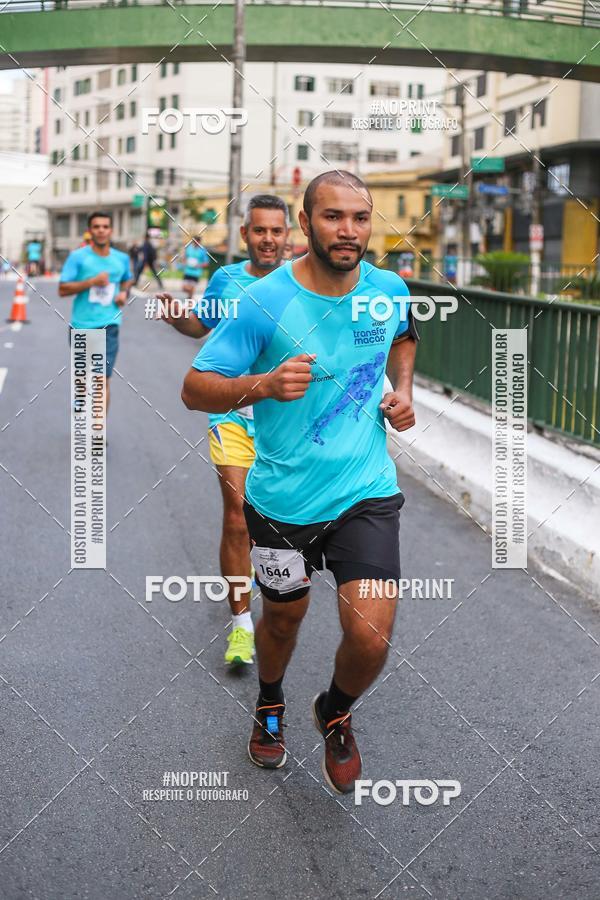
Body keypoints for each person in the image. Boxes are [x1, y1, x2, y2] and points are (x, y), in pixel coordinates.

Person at [181, 171, 419, 794]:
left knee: (370, 632)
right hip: (282, 500)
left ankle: (334, 708)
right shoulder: (264, 302)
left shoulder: (388, 288)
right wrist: (261, 384)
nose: (349, 231)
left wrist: (404, 393)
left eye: (360, 218)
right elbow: (194, 387)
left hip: (365, 490)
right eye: (334, 217)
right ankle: (269, 698)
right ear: (306, 225)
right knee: (284, 619)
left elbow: (405, 334)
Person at [159, 194, 290, 667]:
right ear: (245, 235)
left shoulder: (303, 284)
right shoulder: (227, 280)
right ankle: (241, 627)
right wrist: (179, 320)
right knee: (237, 515)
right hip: (233, 414)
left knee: (275, 524)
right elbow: (202, 325)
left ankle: (275, 599)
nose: (268, 239)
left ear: (288, 234)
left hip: (286, 423)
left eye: (276, 231)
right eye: (260, 231)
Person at [59, 211, 132, 414]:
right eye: (96, 227)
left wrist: (123, 293)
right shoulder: (78, 258)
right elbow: (62, 289)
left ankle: (97, 432)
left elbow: (127, 279)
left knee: (101, 378)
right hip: (81, 325)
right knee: (83, 378)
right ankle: (81, 400)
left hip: (109, 325)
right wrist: (92, 282)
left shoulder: (122, 259)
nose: (101, 230)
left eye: (105, 226)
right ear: (90, 231)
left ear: (111, 230)